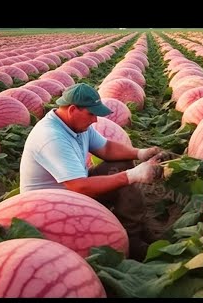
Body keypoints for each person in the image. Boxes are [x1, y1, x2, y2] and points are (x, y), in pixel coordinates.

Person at [19, 83, 164, 260]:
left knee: (122, 163)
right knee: (126, 177)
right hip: (50, 208)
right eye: (91, 114)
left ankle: (136, 228)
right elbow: (79, 187)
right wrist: (132, 175)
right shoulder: (51, 137)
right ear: (72, 110)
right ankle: (131, 239)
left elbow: (107, 148)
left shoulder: (76, 126)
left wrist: (141, 153)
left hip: (72, 192)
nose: (95, 120)